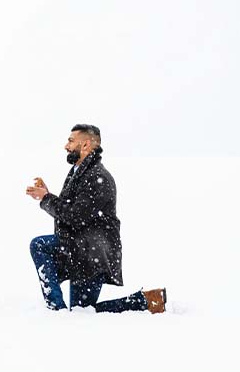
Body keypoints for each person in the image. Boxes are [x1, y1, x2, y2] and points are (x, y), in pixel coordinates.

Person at [25, 124, 166, 314]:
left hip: (91, 254)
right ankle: (146, 301)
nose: (66, 146)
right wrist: (47, 195)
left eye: (71, 140)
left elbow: (74, 217)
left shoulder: (98, 177)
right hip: (81, 251)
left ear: (85, 145)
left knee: (39, 245)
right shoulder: (82, 172)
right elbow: (72, 211)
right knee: (83, 312)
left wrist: (46, 198)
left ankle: (56, 311)